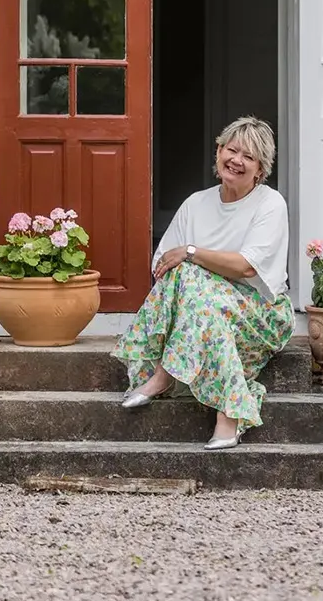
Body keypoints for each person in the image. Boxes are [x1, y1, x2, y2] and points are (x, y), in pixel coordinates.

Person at [114, 116, 292, 451]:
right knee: (193, 284)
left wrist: (192, 252)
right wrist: (193, 265)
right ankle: (229, 415)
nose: (236, 160)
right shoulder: (196, 203)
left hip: (262, 314)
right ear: (219, 150)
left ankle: (164, 376)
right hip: (207, 313)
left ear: (260, 169)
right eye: (231, 150)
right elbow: (164, 267)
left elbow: (246, 267)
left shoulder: (270, 203)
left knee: (193, 276)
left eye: (249, 157)